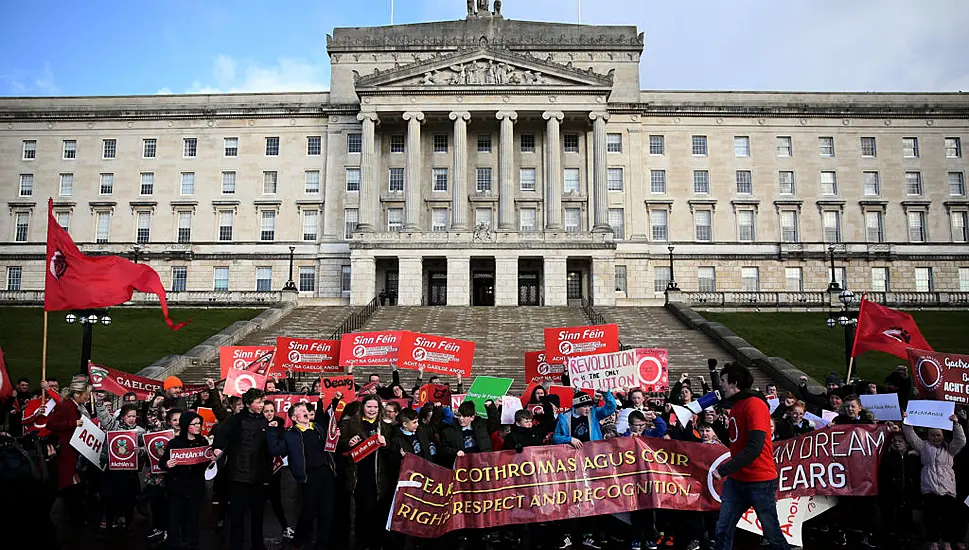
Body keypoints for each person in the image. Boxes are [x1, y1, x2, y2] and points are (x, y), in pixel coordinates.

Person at [712, 363, 790, 550]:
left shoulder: (755, 404)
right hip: (737, 480)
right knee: (723, 529)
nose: (721, 385)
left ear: (734, 383)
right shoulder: (738, 404)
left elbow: (754, 447)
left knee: (771, 532)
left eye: (723, 381)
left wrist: (724, 470)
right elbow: (735, 440)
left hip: (759, 480)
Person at [268, 401, 337, 550]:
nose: (305, 411)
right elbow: (275, 450)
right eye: (300, 410)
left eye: (306, 409)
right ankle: (298, 541)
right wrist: (272, 431)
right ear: (293, 417)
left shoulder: (317, 428)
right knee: (308, 511)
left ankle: (322, 544)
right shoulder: (290, 434)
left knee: (327, 511)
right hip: (308, 476)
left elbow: (330, 436)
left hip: (325, 472)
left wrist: (334, 435)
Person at [552, 389, 616, 549]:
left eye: (589, 405)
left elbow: (611, 407)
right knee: (573, 498)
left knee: (592, 498)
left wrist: (606, 393)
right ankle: (569, 535)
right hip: (572, 465)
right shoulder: (564, 417)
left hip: (593, 462)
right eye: (585, 406)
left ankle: (590, 536)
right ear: (577, 407)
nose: (589, 408)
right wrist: (569, 439)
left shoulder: (594, 413)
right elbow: (555, 437)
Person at [212, 388, 272, 550]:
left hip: (258, 478)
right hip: (238, 476)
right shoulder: (236, 419)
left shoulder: (264, 421)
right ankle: (236, 545)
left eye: (262, 402)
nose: (261, 405)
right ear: (248, 404)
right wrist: (217, 448)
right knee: (237, 516)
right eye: (258, 402)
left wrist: (267, 476)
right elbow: (221, 434)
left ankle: (258, 544)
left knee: (257, 515)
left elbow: (267, 451)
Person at [902, 413, 967, 550]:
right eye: (932, 435)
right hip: (929, 489)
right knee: (931, 518)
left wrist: (956, 424)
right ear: (928, 435)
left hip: (948, 490)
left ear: (943, 435)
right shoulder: (924, 446)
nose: (935, 438)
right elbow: (911, 436)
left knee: (947, 519)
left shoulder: (950, 449)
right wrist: (906, 421)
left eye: (938, 435)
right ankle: (934, 541)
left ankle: (947, 542)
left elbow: (961, 440)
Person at [338, 394, 392, 550]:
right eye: (369, 406)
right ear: (363, 407)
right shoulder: (351, 423)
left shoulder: (386, 426)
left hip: (378, 476)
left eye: (375, 407)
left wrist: (386, 444)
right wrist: (348, 443)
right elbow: (338, 444)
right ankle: (362, 543)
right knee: (362, 511)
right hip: (358, 475)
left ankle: (376, 543)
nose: (372, 410)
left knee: (377, 511)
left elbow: (392, 450)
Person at [46, 378, 93, 528]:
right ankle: (75, 519)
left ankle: (74, 517)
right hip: (66, 451)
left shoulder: (73, 406)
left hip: (72, 450)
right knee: (73, 486)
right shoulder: (66, 406)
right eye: (86, 394)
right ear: (78, 394)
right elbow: (51, 424)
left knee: (74, 486)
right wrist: (72, 424)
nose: (88, 397)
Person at [160, 411, 209, 550]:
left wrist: (210, 460)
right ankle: (174, 543)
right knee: (175, 518)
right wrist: (167, 464)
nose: (198, 426)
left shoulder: (202, 442)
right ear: (186, 425)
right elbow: (162, 462)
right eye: (194, 424)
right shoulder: (175, 443)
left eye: (199, 424)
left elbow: (205, 464)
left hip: (195, 487)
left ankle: (192, 542)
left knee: (193, 518)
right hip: (177, 488)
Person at [96, 400, 145, 533]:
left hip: (129, 472)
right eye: (129, 416)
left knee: (129, 500)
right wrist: (99, 405)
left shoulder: (140, 431)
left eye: (134, 416)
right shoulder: (114, 427)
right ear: (123, 416)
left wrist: (140, 450)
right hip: (113, 471)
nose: (132, 419)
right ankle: (108, 525)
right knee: (110, 499)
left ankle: (128, 525)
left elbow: (148, 446)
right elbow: (105, 419)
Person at [261, 401, 292, 541]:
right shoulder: (259, 426)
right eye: (266, 411)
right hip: (260, 470)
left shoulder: (280, 428)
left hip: (274, 469)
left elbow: (282, 447)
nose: (269, 414)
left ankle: (285, 527)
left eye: (271, 411)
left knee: (276, 501)